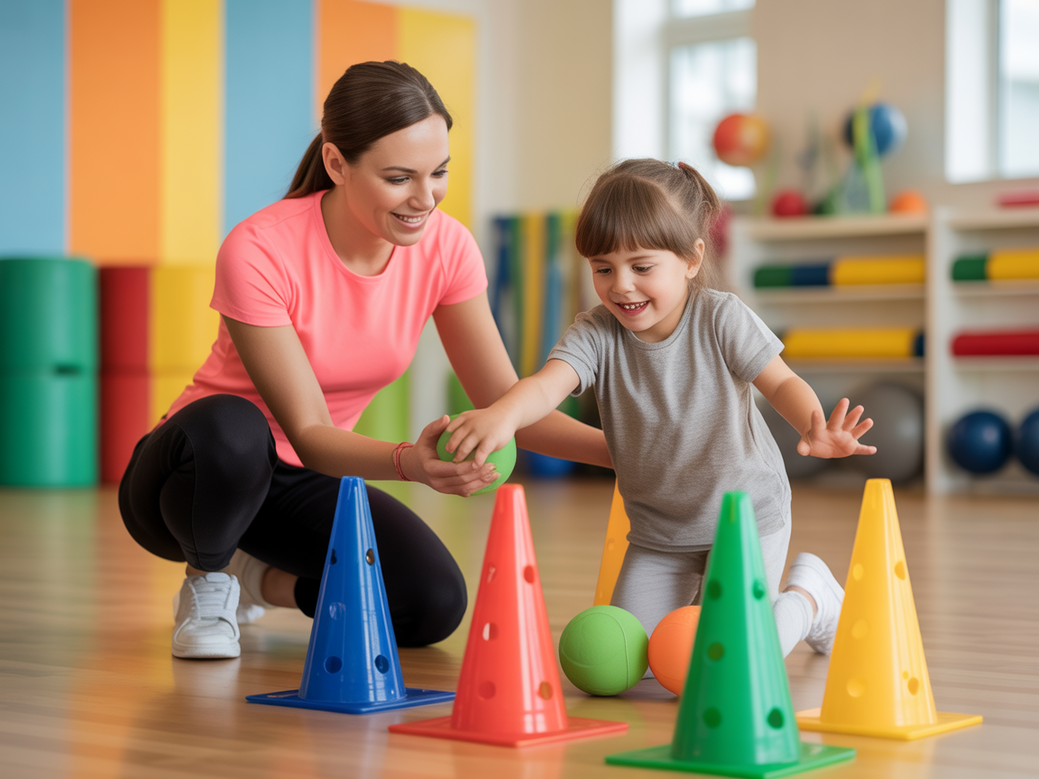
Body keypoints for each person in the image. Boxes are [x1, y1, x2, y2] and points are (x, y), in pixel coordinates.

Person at [118, 61, 611, 660]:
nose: (424, 199)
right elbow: (308, 431)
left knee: (430, 602)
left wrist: (633, 456)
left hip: (297, 482)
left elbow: (511, 408)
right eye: (400, 177)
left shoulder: (447, 248)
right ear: (336, 164)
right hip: (191, 479)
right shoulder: (259, 249)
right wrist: (413, 463)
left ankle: (254, 581)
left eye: (439, 174)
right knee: (236, 426)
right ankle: (207, 580)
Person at [440, 158, 877, 658]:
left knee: (740, 657)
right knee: (633, 660)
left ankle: (810, 598)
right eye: (603, 269)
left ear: (691, 260)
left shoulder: (720, 318)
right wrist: (503, 416)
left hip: (745, 523)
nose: (620, 285)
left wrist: (813, 425)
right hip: (658, 534)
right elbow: (544, 387)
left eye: (641, 267)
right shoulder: (596, 332)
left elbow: (780, 381)